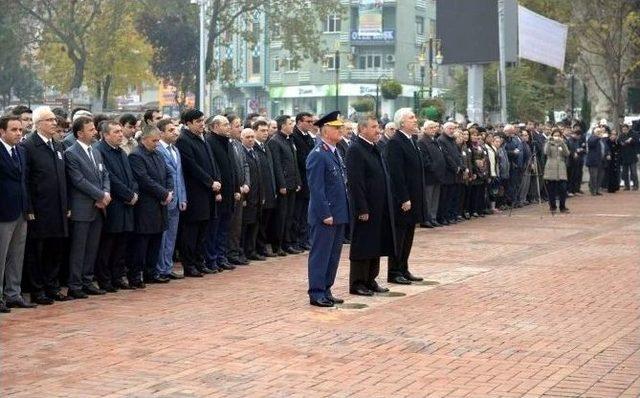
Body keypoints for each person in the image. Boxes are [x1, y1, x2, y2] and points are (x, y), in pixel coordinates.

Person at [22, 106, 69, 305]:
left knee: (55, 248)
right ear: (38, 124)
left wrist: (66, 205)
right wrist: (29, 208)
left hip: (58, 207)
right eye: (49, 120)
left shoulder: (57, 145)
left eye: (54, 120)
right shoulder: (29, 146)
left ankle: (52, 286)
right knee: (37, 251)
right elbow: (26, 180)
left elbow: (63, 177)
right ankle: (37, 289)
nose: (54, 123)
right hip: (40, 208)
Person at [345, 115, 394, 296]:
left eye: (378, 127)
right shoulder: (356, 149)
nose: (377, 130)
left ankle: (370, 279)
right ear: (362, 129)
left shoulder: (375, 148)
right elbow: (356, 183)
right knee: (363, 245)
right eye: (373, 127)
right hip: (365, 208)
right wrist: (362, 208)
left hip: (379, 205)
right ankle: (358, 282)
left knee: (376, 243)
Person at [64, 116, 111, 298]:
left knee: (92, 247)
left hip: (99, 208)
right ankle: (75, 285)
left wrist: (106, 192)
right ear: (80, 133)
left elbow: (104, 173)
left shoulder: (96, 151)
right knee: (79, 248)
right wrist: (100, 195)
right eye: (90, 130)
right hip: (82, 208)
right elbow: (78, 180)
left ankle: (87, 280)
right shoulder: (71, 153)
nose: (95, 132)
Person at [306, 111, 349, 307]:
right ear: (325, 130)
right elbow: (316, 188)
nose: (341, 130)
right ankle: (316, 292)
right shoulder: (318, 154)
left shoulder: (335, 151)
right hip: (326, 215)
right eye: (336, 128)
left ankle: (326, 288)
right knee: (321, 254)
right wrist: (325, 214)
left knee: (333, 255)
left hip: (338, 212)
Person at [175, 109, 221, 277]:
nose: (202, 124)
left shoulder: (203, 138)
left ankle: (200, 262)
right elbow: (192, 166)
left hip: (208, 191)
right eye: (198, 121)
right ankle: (190, 265)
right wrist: (210, 182)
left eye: (202, 120)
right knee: (191, 231)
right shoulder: (184, 140)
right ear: (188, 123)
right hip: (194, 192)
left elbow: (212, 162)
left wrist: (216, 182)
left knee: (203, 230)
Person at [94, 121, 138, 292]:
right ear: (105, 135)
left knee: (122, 243)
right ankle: (105, 279)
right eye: (116, 132)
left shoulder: (121, 152)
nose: (121, 135)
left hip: (127, 205)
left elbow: (131, 176)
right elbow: (110, 177)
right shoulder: (100, 151)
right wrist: (128, 195)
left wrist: (134, 193)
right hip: (113, 204)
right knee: (108, 244)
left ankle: (117, 276)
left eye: (121, 131)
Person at [129, 126, 174, 287]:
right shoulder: (136, 155)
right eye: (154, 141)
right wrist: (163, 194)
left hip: (161, 204)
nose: (157, 144)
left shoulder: (158, 154)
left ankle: (151, 272)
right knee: (142, 243)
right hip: (146, 206)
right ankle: (136, 275)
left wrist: (169, 191)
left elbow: (169, 174)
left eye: (157, 140)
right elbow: (144, 179)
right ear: (144, 139)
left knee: (156, 240)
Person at [0, 115, 35, 311]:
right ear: (2, 131)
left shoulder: (21, 151)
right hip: (3, 212)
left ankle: (13, 293)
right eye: (13, 130)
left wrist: (28, 208)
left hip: (20, 211)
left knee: (17, 255)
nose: (18, 133)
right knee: (1, 256)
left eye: (20, 130)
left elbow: (25, 182)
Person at [386, 108, 424, 285]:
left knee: (409, 234)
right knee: (399, 235)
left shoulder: (412, 140)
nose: (415, 120)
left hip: (414, 195)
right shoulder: (396, 142)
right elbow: (396, 173)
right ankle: (394, 271)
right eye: (411, 118)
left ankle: (404, 267)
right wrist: (403, 198)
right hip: (403, 199)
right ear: (402, 122)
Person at [204, 115, 238, 272]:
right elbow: (213, 167)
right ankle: (212, 259)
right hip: (218, 193)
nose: (228, 127)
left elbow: (233, 167)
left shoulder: (227, 142)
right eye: (225, 125)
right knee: (214, 229)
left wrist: (236, 188)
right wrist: (217, 190)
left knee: (224, 227)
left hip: (229, 192)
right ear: (215, 127)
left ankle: (221, 256)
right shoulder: (210, 141)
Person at [156, 119, 187, 279]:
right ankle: (160, 268)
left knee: (171, 236)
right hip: (165, 199)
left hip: (176, 200)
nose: (175, 132)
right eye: (170, 130)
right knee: (162, 236)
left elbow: (179, 175)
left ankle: (167, 267)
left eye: (175, 129)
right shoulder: (158, 149)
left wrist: (183, 197)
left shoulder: (175, 150)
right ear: (161, 133)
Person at [268, 115, 302, 256]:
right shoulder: (275, 141)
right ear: (283, 126)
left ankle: (287, 243)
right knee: (281, 217)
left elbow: (294, 163)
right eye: (290, 123)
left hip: (293, 183)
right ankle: (278, 245)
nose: (292, 125)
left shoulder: (290, 140)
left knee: (289, 216)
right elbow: (276, 165)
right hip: (284, 185)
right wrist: (281, 184)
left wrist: (298, 181)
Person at [227, 114, 251, 265]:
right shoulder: (227, 144)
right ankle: (229, 253)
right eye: (237, 125)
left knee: (238, 225)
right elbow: (229, 169)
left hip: (242, 189)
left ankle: (235, 251)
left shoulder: (237, 144)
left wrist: (246, 183)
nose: (240, 128)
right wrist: (237, 187)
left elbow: (245, 165)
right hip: (233, 191)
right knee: (230, 225)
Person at [290, 112, 315, 251]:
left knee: (306, 213)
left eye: (312, 121)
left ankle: (304, 239)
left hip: (309, 180)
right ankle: (296, 240)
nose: (311, 124)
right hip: (300, 180)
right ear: (299, 122)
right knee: (297, 213)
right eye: (308, 121)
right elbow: (301, 159)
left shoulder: (309, 137)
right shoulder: (295, 137)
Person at [253, 119, 278, 258]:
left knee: (265, 221)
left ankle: (261, 247)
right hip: (259, 191)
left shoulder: (265, 147)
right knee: (258, 220)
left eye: (266, 130)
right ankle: (257, 248)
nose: (265, 133)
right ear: (255, 130)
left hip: (269, 190)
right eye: (262, 131)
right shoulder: (254, 147)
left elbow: (271, 169)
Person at [239, 128, 264, 261]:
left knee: (255, 223)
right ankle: (242, 251)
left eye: (252, 137)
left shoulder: (255, 153)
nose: (250, 139)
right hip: (247, 196)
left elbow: (260, 176)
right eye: (247, 137)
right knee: (245, 225)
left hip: (257, 195)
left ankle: (251, 250)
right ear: (241, 138)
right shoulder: (241, 153)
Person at [417, 121, 446, 228]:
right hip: (430, 176)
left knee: (435, 199)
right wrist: (433, 168)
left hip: (438, 176)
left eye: (434, 127)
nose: (433, 129)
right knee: (428, 199)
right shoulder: (422, 142)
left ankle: (433, 218)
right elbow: (425, 160)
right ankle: (426, 219)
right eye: (431, 128)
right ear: (425, 129)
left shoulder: (435, 141)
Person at [437, 122, 464, 225]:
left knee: (453, 196)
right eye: (449, 128)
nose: (452, 130)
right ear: (444, 129)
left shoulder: (452, 140)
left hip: (456, 174)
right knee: (445, 197)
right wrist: (455, 167)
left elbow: (458, 155)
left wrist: (461, 166)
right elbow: (446, 156)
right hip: (448, 173)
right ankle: (443, 217)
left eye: (453, 129)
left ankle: (451, 215)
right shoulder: (441, 140)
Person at [543, 128, 570, 213]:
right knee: (551, 189)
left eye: (558, 135)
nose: (556, 137)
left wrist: (562, 143)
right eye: (555, 135)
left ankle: (562, 206)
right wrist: (549, 142)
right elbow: (546, 152)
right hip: (551, 167)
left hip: (561, 168)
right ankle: (552, 206)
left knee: (563, 189)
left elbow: (567, 153)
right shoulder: (549, 143)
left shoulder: (563, 143)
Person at [586, 127, 610, 196]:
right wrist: (598, 137)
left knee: (600, 176)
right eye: (598, 132)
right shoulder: (591, 138)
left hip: (601, 161)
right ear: (594, 132)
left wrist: (608, 154)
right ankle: (593, 190)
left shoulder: (602, 140)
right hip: (593, 161)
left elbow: (606, 148)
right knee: (594, 176)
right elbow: (591, 143)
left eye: (600, 132)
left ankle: (597, 189)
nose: (600, 133)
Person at [619, 123, 639, 191]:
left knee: (633, 172)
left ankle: (635, 185)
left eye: (625, 129)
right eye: (623, 129)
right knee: (625, 172)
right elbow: (620, 142)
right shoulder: (621, 135)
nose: (624, 130)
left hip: (632, 156)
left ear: (628, 129)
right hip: (624, 157)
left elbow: (636, 142)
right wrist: (623, 143)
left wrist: (630, 141)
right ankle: (627, 186)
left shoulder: (634, 134)